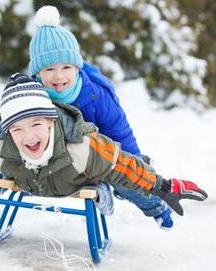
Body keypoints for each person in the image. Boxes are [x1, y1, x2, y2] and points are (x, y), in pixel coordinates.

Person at [0, 74, 207, 218]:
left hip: (78, 178)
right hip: (33, 180)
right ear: (8, 130)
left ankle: (116, 197)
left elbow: (124, 164)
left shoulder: (81, 145)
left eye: (35, 124)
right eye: (17, 128)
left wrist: (164, 186)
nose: (28, 136)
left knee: (115, 177)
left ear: (50, 122)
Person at [27, 6, 173, 229]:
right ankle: (100, 185)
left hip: (100, 156)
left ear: (77, 67)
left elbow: (119, 131)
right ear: (37, 73)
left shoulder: (95, 95)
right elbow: (14, 131)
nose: (58, 76)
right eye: (49, 69)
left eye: (66, 67)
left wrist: (135, 165)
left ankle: (155, 206)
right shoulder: (31, 95)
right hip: (58, 164)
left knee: (124, 174)